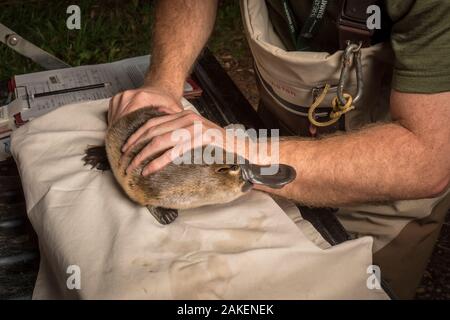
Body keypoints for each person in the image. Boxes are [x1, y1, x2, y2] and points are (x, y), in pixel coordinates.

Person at [108, 0, 450, 299]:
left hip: (383, 184)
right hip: (272, 132)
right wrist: (165, 82)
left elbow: (427, 158)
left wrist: (247, 155)